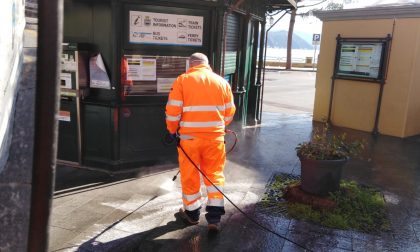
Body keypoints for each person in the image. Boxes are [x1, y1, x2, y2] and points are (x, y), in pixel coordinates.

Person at [165, 53, 236, 232]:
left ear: (191, 64)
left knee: (190, 176)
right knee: (214, 175)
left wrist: (172, 131)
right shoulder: (222, 82)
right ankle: (214, 219)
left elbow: (173, 111)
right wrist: (218, 127)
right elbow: (229, 112)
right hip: (215, 139)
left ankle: (192, 215)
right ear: (207, 65)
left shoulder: (183, 80)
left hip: (189, 140)